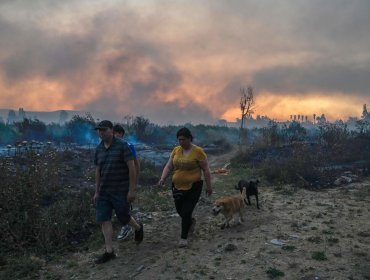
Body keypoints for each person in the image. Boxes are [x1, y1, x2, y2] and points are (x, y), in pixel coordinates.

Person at [93, 120, 143, 264]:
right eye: (99, 130)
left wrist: (132, 190)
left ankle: (138, 227)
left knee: (123, 216)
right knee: (104, 218)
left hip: (120, 190)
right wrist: (96, 191)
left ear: (111, 130)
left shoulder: (123, 146)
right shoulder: (98, 149)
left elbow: (132, 168)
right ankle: (109, 251)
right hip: (104, 191)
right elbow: (97, 171)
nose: (101, 133)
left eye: (104, 130)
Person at [158, 127, 212, 248]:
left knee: (186, 211)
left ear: (189, 139)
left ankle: (183, 237)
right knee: (180, 210)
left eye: (182, 139)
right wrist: (163, 178)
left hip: (194, 186)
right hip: (177, 186)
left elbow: (206, 170)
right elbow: (168, 166)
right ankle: (190, 222)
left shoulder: (198, 151)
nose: (180, 142)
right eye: (179, 140)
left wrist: (209, 187)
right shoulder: (176, 150)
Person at [113, 124, 140, 241]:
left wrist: (134, 183)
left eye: (116, 133)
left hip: (126, 181)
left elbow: (136, 164)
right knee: (117, 206)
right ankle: (128, 225)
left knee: (124, 206)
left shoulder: (128, 146)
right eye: (113, 133)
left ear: (121, 134)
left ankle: (127, 227)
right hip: (114, 182)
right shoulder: (109, 146)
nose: (114, 136)